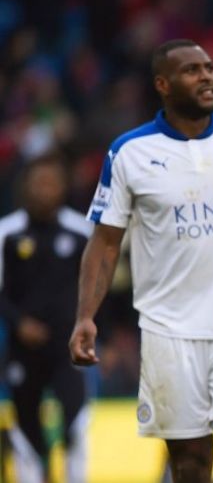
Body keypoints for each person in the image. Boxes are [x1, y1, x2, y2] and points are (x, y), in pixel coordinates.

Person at [68, 39, 213, 483]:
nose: (207, 77)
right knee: (191, 466)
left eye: (210, 68)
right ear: (162, 84)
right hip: (167, 330)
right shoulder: (129, 153)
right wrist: (86, 316)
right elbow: (103, 244)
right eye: (192, 70)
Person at [0, 155, 92, 482]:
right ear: (25, 188)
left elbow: (98, 287)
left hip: (70, 350)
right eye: (37, 183)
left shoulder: (82, 232)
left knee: (76, 424)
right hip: (23, 350)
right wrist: (19, 322)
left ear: (63, 187)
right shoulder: (6, 233)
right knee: (27, 429)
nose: (43, 190)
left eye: (50, 183)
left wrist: (100, 332)